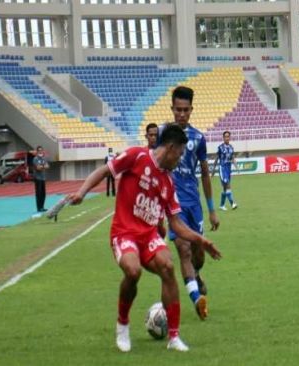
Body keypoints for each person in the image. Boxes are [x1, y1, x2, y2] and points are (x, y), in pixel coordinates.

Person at [67, 124, 221, 353]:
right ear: (170, 148)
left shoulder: (169, 182)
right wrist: (82, 191)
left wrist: (202, 241)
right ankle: (122, 324)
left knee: (168, 267)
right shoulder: (136, 156)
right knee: (133, 271)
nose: (179, 161)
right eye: (179, 155)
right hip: (124, 232)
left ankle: (174, 337)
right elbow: (104, 171)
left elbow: (177, 224)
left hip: (148, 235)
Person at [159, 86, 220, 320]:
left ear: (191, 110)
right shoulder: (164, 137)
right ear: (172, 109)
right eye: (177, 110)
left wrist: (212, 210)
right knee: (183, 249)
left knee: (198, 254)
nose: (181, 114)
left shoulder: (198, 139)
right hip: (173, 205)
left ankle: (196, 275)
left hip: (194, 204)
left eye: (185, 110)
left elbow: (204, 174)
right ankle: (197, 300)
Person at [212, 131, 238, 210]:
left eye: (228, 136)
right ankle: (232, 203)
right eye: (225, 136)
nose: (227, 138)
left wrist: (236, 166)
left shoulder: (231, 147)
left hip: (228, 168)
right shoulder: (220, 147)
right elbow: (216, 159)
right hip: (222, 168)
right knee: (227, 185)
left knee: (225, 188)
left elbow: (233, 158)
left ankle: (221, 205)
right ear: (223, 138)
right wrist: (213, 170)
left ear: (230, 138)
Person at [32, 146, 49, 212]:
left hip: (43, 178)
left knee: (43, 193)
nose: (40, 151)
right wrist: (43, 166)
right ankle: (39, 208)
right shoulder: (35, 159)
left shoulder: (43, 158)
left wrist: (42, 166)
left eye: (41, 150)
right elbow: (38, 168)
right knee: (38, 193)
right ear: (37, 151)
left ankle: (42, 206)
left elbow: (47, 166)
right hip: (37, 178)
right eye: (39, 150)